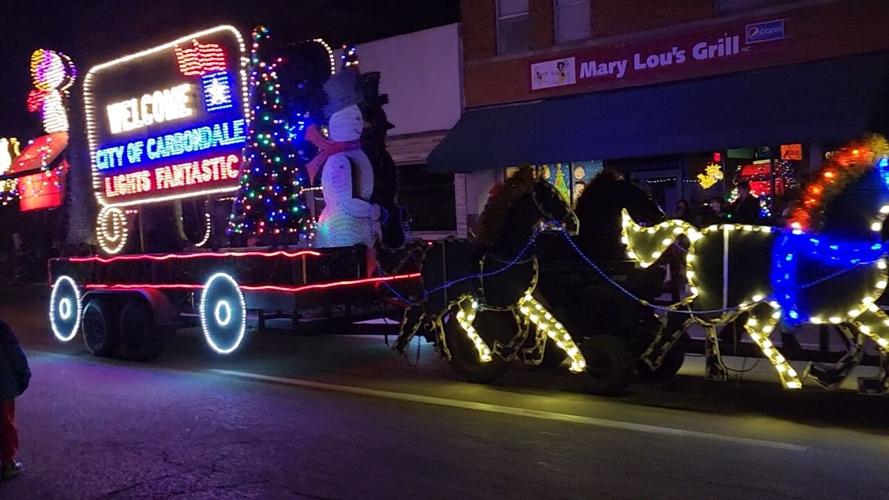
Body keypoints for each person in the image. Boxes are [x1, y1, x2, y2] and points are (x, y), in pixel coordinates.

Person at [0, 320, 29, 480]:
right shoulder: (2, 328)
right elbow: (15, 355)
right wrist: (23, 376)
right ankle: (7, 464)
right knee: (5, 425)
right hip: (2, 387)